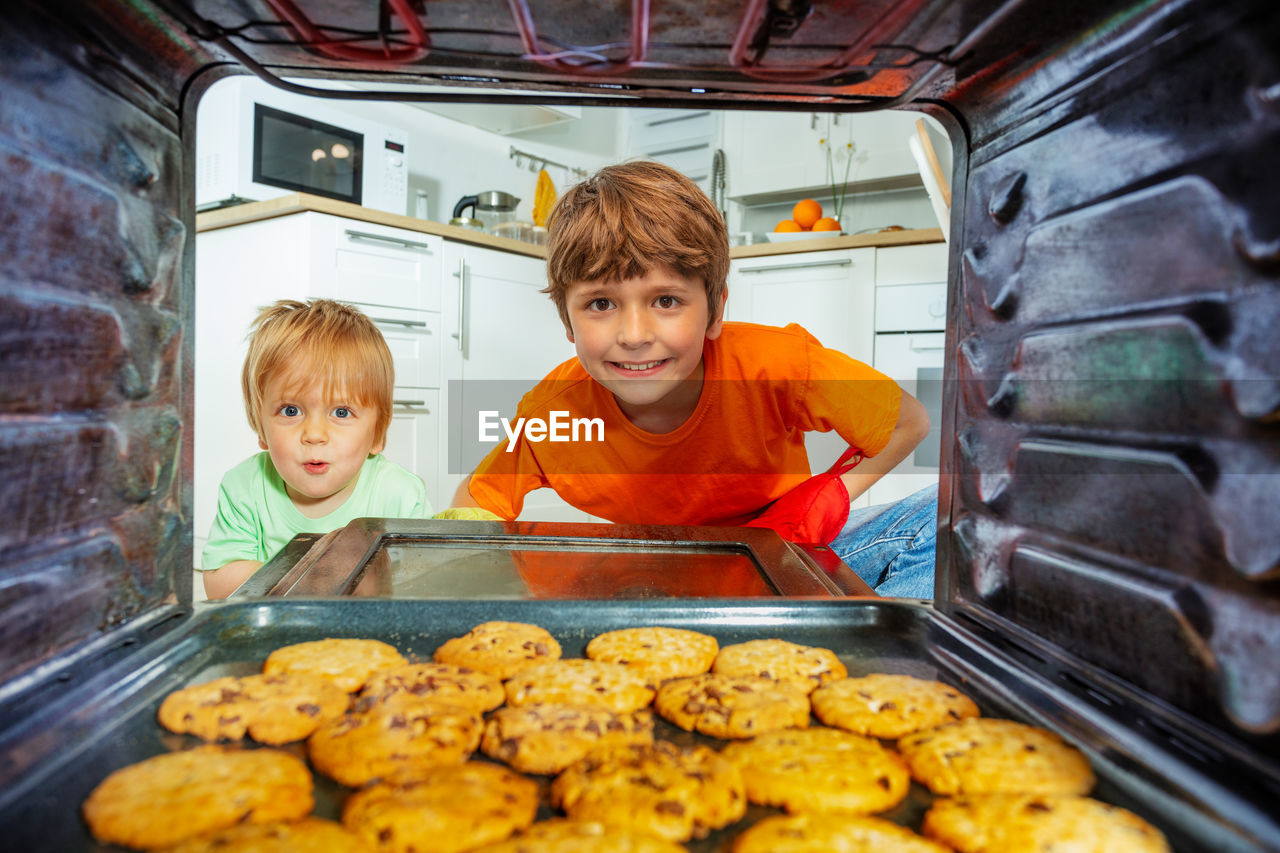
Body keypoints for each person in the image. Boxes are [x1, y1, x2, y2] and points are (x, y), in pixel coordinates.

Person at [450, 160, 938, 598]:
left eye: (666, 301)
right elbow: (478, 498)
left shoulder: (777, 366)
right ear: (566, 319)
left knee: (946, 512)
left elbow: (908, 421)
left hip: (784, 555)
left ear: (714, 310)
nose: (635, 336)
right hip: (654, 579)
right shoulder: (555, 412)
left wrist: (827, 497)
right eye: (601, 304)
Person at [200, 298, 431, 599]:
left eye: (341, 413)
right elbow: (219, 582)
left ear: (378, 432)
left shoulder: (401, 494)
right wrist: (324, 576)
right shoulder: (244, 486)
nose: (314, 435)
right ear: (260, 427)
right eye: (291, 411)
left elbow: (423, 581)